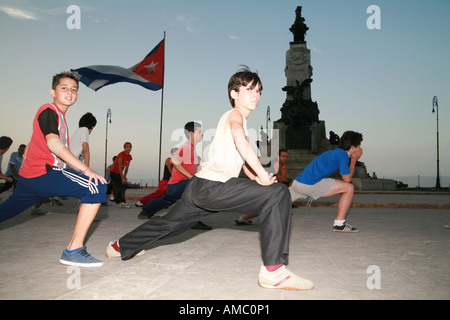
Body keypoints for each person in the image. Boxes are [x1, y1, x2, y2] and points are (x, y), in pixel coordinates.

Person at [106, 66, 314, 291]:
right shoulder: (235, 115)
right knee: (278, 193)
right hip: (213, 187)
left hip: (199, 187)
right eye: (249, 89)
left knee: (170, 224)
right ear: (234, 94)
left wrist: (256, 177)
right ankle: (274, 272)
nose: (256, 95)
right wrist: (264, 175)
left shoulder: (234, 120)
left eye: (259, 91)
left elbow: (241, 159)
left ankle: (119, 246)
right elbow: (241, 141)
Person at [0, 71, 107, 267]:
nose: (69, 92)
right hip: (43, 173)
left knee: (5, 211)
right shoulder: (48, 110)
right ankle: (73, 250)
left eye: (74, 90)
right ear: (53, 92)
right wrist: (86, 170)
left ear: (77, 95)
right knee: (96, 186)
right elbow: (54, 145)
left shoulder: (60, 117)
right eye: (63, 88)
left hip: (29, 178)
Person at [289, 130, 363, 232]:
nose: (361, 149)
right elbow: (347, 179)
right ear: (353, 147)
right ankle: (339, 224)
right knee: (349, 188)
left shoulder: (334, 153)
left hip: (298, 183)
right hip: (311, 184)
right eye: (359, 146)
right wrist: (354, 161)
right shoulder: (343, 155)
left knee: (279, 202)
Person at [137, 123, 206, 225]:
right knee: (189, 198)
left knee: (169, 200)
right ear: (191, 133)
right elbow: (174, 160)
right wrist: (190, 176)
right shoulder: (186, 147)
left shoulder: (192, 148)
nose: (202, 134)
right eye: (199, 132)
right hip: (179, 183)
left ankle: (146, 211)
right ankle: (193, 221)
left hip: (182, 182)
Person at [235, 149, 292, 226]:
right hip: (263, 186)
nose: (285, 158)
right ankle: (243, 218)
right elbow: (281, 179)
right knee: (264, 207)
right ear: (277, 156)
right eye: (283, 156)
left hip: (269, 187)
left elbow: (284, 178)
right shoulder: (275, 164)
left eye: (286, 156)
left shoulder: (281, 165)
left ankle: (244, 218)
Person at [110, 142, 133, 208]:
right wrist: (122, 177)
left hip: (119, 174)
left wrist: (124, 177)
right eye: (127, 147)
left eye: (130, 147)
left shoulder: (130, 157)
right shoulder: (121, 154)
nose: (129, 148)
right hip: (114, 173)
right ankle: (120, 201)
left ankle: (119, 200)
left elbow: (126, 168)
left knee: (123, 185)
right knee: (122, 186)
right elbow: (119, 167)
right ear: (124, 148)